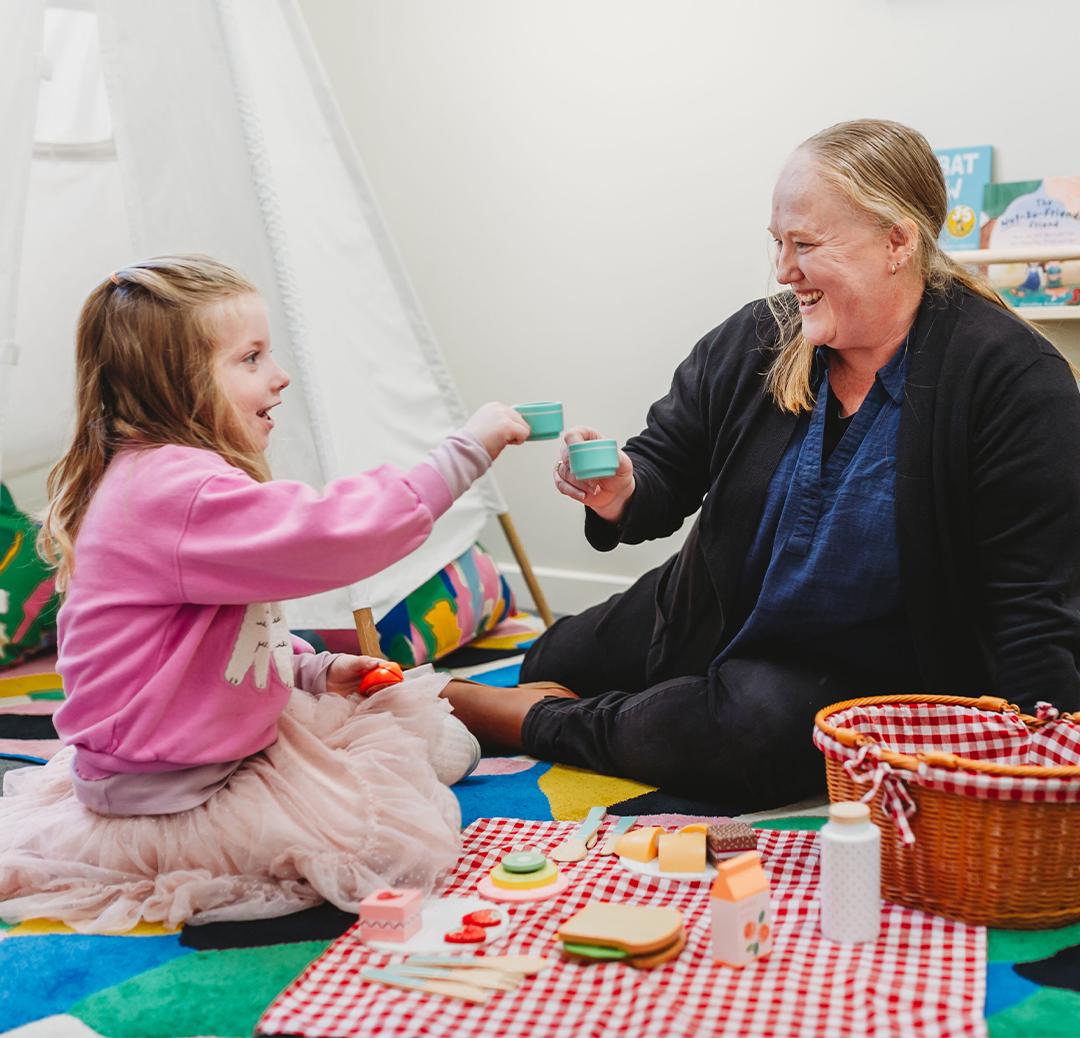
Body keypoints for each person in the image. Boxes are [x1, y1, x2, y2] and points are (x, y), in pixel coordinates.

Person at [444, 119, 1080, 811]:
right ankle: (598, 699)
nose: (783, 270)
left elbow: (1032, 606)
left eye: (804, 244)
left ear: (898, 242)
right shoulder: (758, 337)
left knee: (744, 735)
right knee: (550, 659)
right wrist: (621, 489)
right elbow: (665, 464)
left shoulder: (1013, 380)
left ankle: (538, 722)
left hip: (861, 671)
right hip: (714, 609)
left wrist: (1039, 764)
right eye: (777, 243)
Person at [0, 255, 529, 931]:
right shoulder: (173, 490)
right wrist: (467, 451)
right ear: (178, 384)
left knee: (423, 736)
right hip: (173, 792)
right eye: (251, 358)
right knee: (385, 843)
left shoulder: (175, 478)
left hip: (212, 739)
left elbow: (213, 642)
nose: (278, 376)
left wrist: (312, 669)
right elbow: (339, 534)